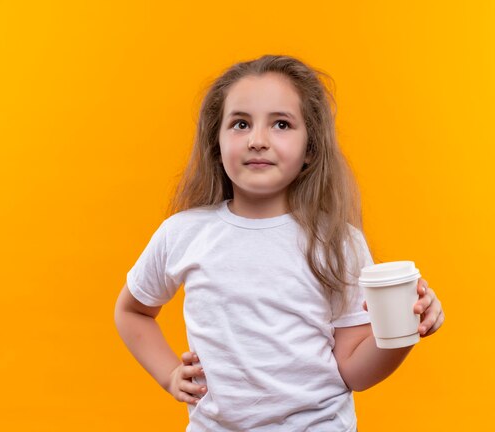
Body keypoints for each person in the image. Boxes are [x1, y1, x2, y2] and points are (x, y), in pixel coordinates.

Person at [114, 54, 444, 431]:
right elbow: (132, 310)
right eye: (240, 124)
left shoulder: (338, 243)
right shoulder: (183, 234)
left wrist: (403, 330)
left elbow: (354, 372)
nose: (257, 141)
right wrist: (169, 374)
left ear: (311, 150)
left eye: (281, 124)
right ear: (216, 143)